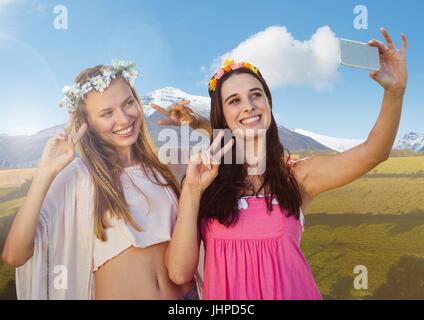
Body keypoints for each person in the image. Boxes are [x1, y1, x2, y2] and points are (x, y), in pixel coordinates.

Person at [166, 28, 408, 300]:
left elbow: (372, 153)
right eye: (234, 100)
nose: (249, 106)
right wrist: (192, 190)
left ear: (268, 103)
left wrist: (395, 91)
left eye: (256, 95)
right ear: (221, 114)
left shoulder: (297, 176)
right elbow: (179, 273)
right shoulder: (206, 183)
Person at [1, 60, 210, 300]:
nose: (123, 119)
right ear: (87, 123)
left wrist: (199, 124)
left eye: (128, 103)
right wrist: (45, 172)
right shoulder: (79, 176)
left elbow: (243, 154)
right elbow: (14, 255)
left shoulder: (167, 166)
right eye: (107, 113)